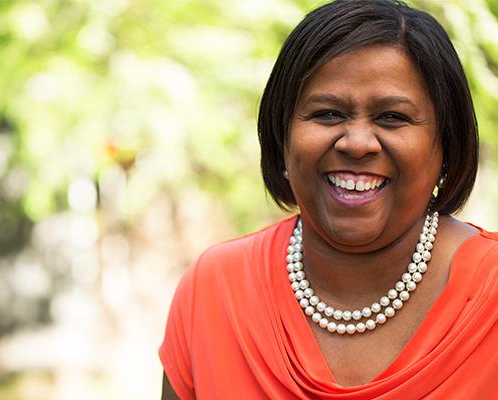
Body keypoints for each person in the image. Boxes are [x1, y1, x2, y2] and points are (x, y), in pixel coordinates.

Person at [158, 0, 498, 398]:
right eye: (328, 114)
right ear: (282, 137)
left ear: (446, 144)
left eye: (392, 116)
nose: (356, 143)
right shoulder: (214, 290)